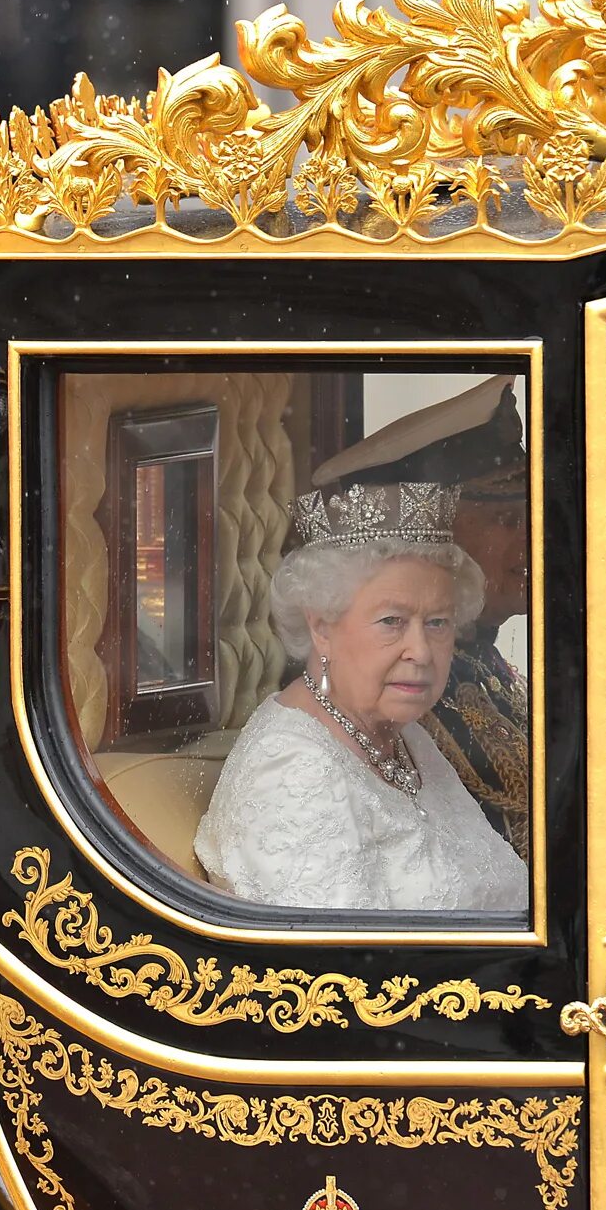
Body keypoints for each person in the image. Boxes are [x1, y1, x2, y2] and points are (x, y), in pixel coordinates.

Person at [193, 481, 528, 912]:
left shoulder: (406, 738)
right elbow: (334, 953)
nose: (421, 651)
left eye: (437, 623)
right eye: (391, 621)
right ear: (321, 626)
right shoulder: (295, 773)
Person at [311, 378, 532, 856]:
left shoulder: (482, 662)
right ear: (437, 545)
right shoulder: (403, 691)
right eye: (507, 521)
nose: (532, 540)